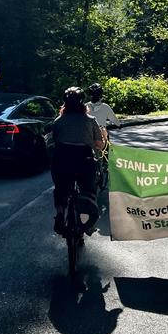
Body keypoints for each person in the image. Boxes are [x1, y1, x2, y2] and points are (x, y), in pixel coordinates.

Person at [51, 86, 105, 236]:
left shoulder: (58, 121)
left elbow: (55, 140)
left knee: (61, 188)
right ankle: (87, 224)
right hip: (84, 160)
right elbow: (99, 144)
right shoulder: (90, 120)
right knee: (89, 190)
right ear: (83, 103)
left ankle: (60, 213)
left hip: (62, 159)